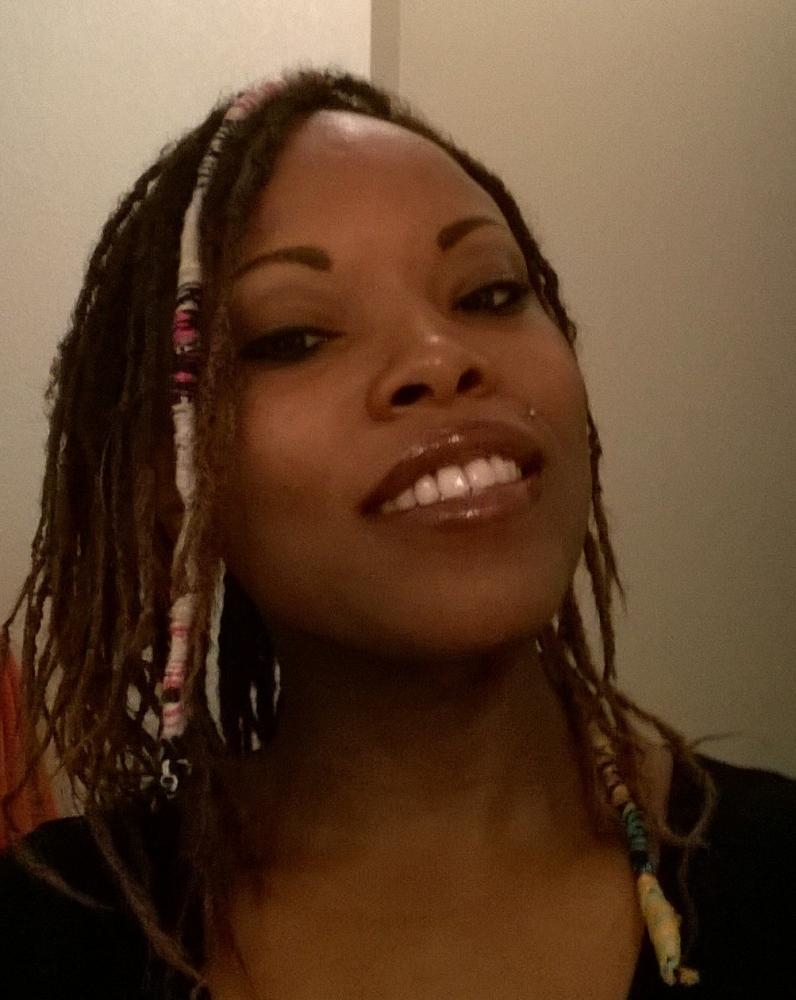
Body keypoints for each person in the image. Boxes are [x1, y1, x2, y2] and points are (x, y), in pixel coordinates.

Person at [0, 69, 793, 1000]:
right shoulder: (51, 932)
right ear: (169, 486)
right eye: (295, 336)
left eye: (490, 292)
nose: (440, 358)